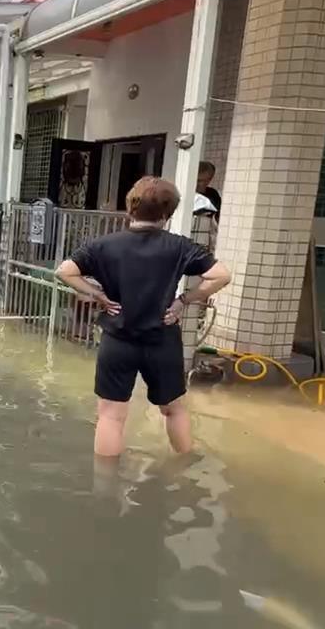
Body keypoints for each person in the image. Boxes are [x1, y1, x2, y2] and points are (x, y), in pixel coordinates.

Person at [54, 177, 231, 457]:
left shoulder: (103, 246)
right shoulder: (180, 246)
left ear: (129, 210)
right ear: (167, 214)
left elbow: (64, 271)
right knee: (173, 409)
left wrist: (97, 295)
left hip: (118, 340)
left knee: (111, 415)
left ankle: (105, 488)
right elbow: (221, 276)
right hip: (162, 340)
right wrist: (184, 301)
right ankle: (185, 467)